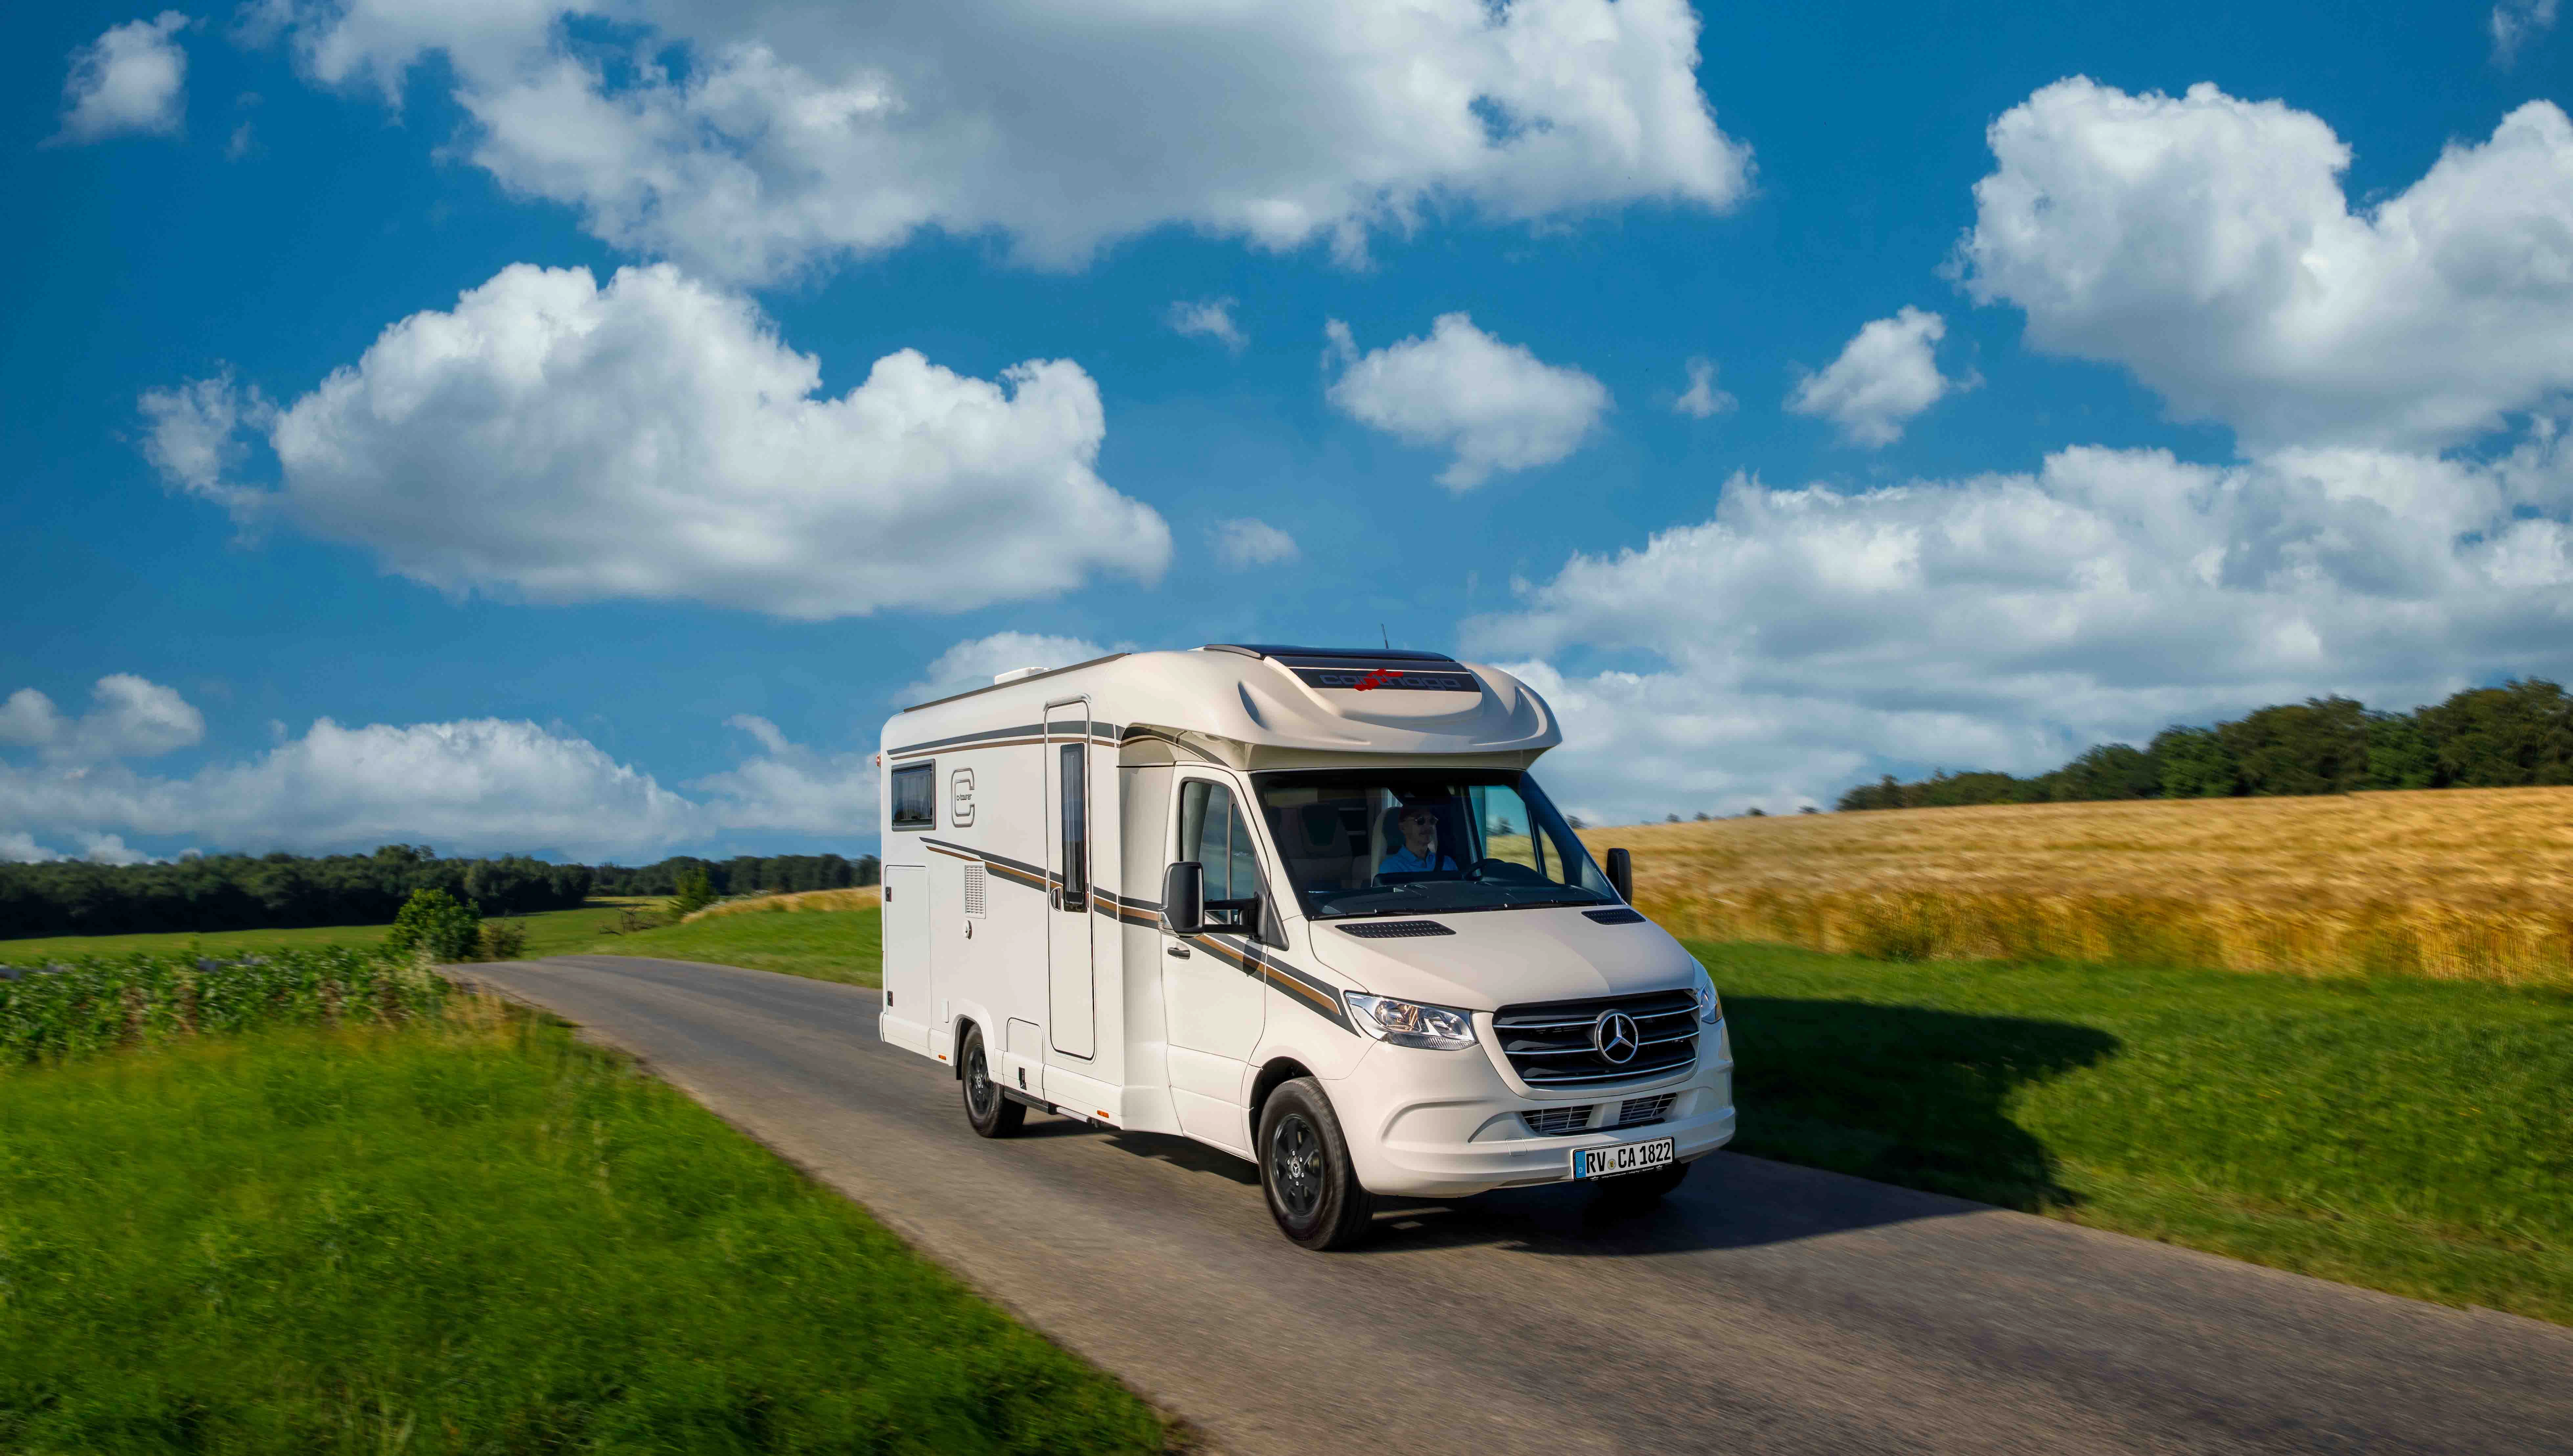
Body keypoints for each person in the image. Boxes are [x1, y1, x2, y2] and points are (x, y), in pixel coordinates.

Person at [1379, 804, 1458, 874]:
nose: (1428, 826)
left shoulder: (1447, 862)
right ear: (1403, 828)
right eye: (1421, 820)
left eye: (1432, 821)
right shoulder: (1391, 867)